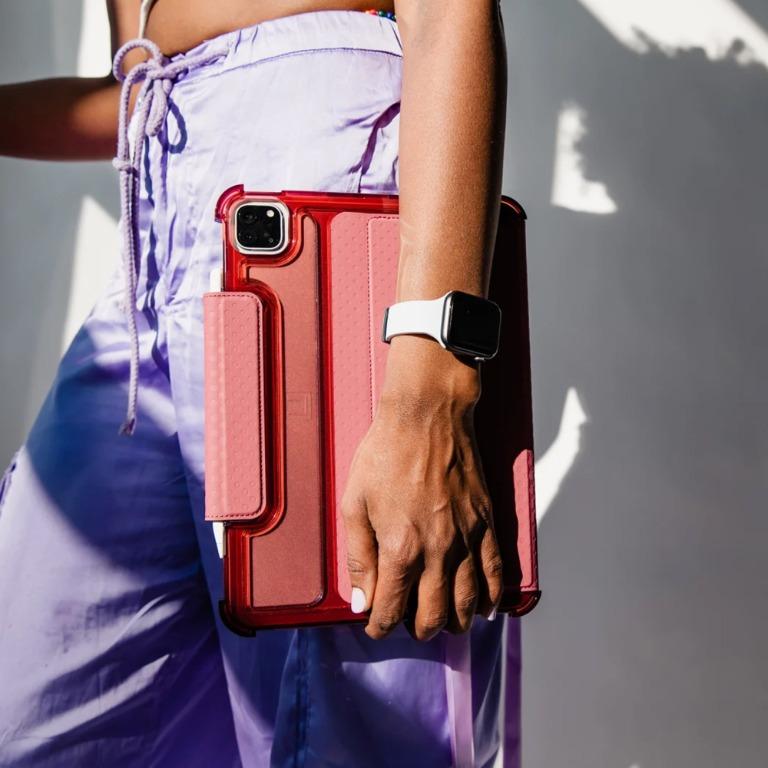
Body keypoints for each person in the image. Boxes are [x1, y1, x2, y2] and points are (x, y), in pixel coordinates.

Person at [0, 1, 520, 766]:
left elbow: (445, 13)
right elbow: (143, 89)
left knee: (345, 728)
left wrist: (428, 391)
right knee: (35, 715)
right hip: (155, 251)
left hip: (315, 179)